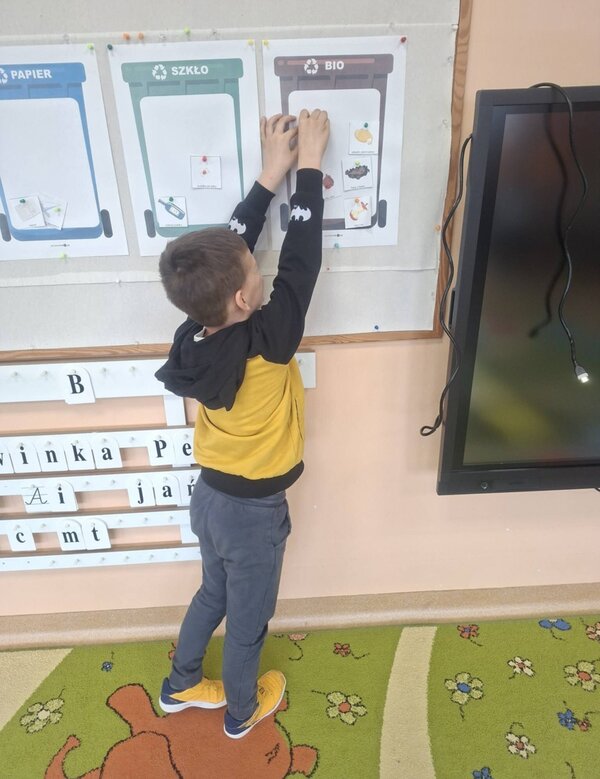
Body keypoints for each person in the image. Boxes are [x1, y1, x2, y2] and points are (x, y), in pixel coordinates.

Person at [154, 108, 329, 739]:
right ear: (242, 298)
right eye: (255, 273)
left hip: (210, 497)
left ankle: (180, 685)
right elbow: (301, 266)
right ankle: (239, 713)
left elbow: (231, 252)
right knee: (248, 622)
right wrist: (309, 169)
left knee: (213, 594)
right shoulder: (269, 341)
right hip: (253, 514)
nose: (261, 268)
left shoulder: (192, 335)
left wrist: (268, 176)